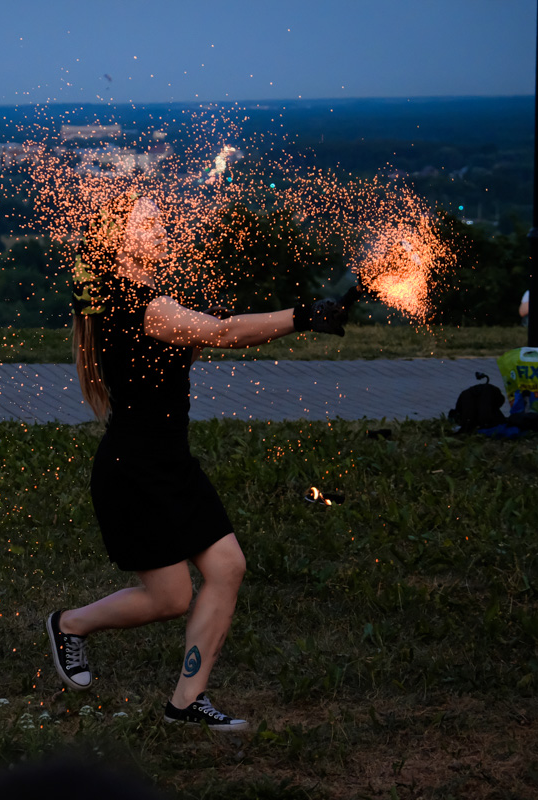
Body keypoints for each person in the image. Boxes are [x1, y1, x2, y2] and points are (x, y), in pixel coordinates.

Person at [46, 194, 354, 731]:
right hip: (133, 472)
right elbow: (224, 332)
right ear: (118, 242)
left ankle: (186, 704)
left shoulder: (149, 301)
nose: (162, 225)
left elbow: (208, 330)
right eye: (148, 220)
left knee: (225, 568)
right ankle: (69, 625)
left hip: (170, 463)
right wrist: (305, 314)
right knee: (170, 598)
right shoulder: (141, 307)